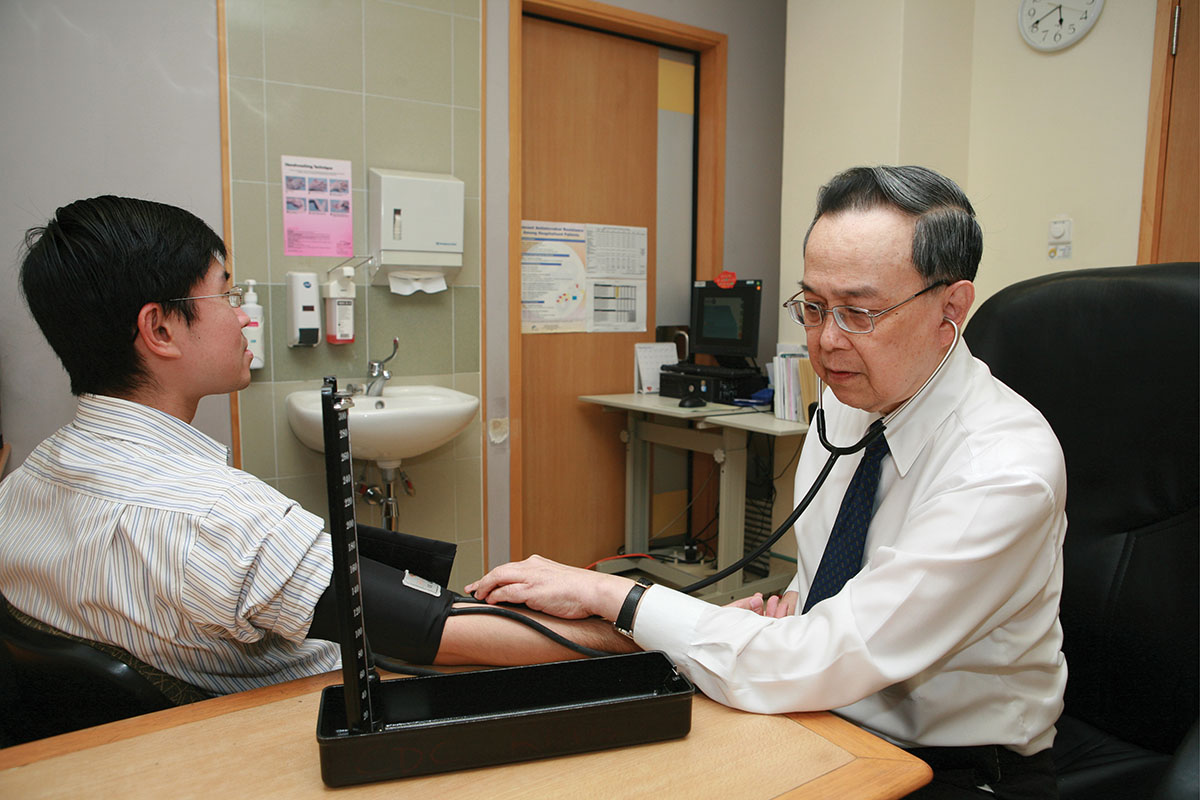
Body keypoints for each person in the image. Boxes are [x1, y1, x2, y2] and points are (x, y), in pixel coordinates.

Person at [467, 166, 1068, 799]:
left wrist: (614, 595)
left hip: (957, 767)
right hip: (821, 709)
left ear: (952, 307)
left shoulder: (1003, 471)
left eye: (859, 313)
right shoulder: (847, 399)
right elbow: (826, 613)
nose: (827, 342)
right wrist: (793, 615)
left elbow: (826, 655)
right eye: (813, 307)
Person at [0, 195, 632, 697]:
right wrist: (645, 623)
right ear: (160, 328)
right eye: (225, 293)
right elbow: (455, 639)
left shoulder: (21, 489)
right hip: (316, 707)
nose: (245, 315)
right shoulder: (219, 520)